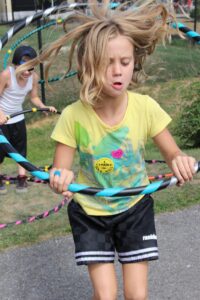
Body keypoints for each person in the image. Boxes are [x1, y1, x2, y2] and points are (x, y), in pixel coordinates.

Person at [17, 1, 196, 299]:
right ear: (90, 65)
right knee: (105, 296)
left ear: (133, 62)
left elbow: (174, 154)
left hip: (134, 207)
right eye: (107, 62)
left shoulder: (146, 108)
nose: (117, 71)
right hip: (90, 212)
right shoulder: (73, 115)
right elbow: (60, 169)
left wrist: (181, 161)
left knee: (137, 296)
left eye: (124, 62)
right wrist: (59, 178)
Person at [0, 45, 57, 194]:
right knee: (0, 151)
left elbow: (34, 97)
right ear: (15, 65)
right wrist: (0, 114)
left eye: (31, 68)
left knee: (20, 150)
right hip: (2, 118)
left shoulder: (34, 78)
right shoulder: (6, 75)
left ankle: (21, 177)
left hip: (18, 117)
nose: (27, 72)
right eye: (23, 68)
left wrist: (43, 106)